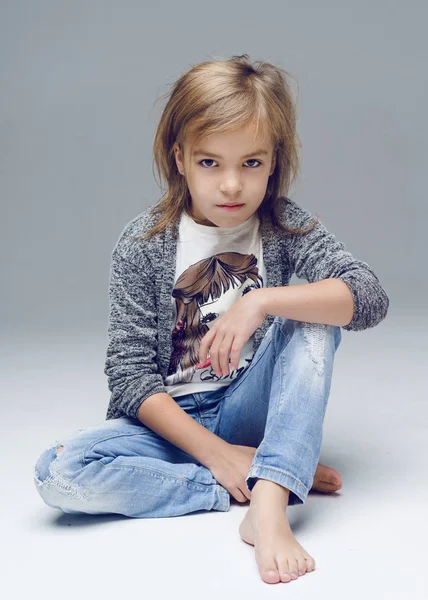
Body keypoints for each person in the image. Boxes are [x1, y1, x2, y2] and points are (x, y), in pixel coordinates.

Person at [33, 54, 389, 585]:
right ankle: (263, 470)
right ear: (179, 159)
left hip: (248, 403)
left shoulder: (285, 227)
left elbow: (367, 297)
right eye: (209, 163)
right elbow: (130, 379)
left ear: (274, 161)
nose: (231, 186)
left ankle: (266, 506)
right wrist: (219, 457)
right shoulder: (143, 245)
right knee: (59, 474)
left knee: (312, 317)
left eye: (251, 163)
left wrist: (261, 301)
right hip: (172, 426)